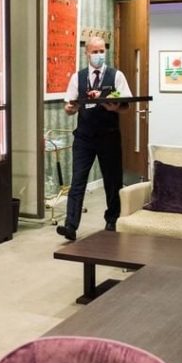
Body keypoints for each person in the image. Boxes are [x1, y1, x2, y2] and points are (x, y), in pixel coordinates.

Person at [56, 36, 133, 241]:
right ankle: (70, 225)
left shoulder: (116, 75)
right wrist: (70, 108)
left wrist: (115, 107)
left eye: (101, 51)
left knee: (112, 180)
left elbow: (126, 105)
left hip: (109, 136)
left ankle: (112, 219)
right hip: (84, 138)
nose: (99, 55)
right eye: (94, 51)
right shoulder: (78, 77)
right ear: (87, 53)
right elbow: (69, 107)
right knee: (77, 181)